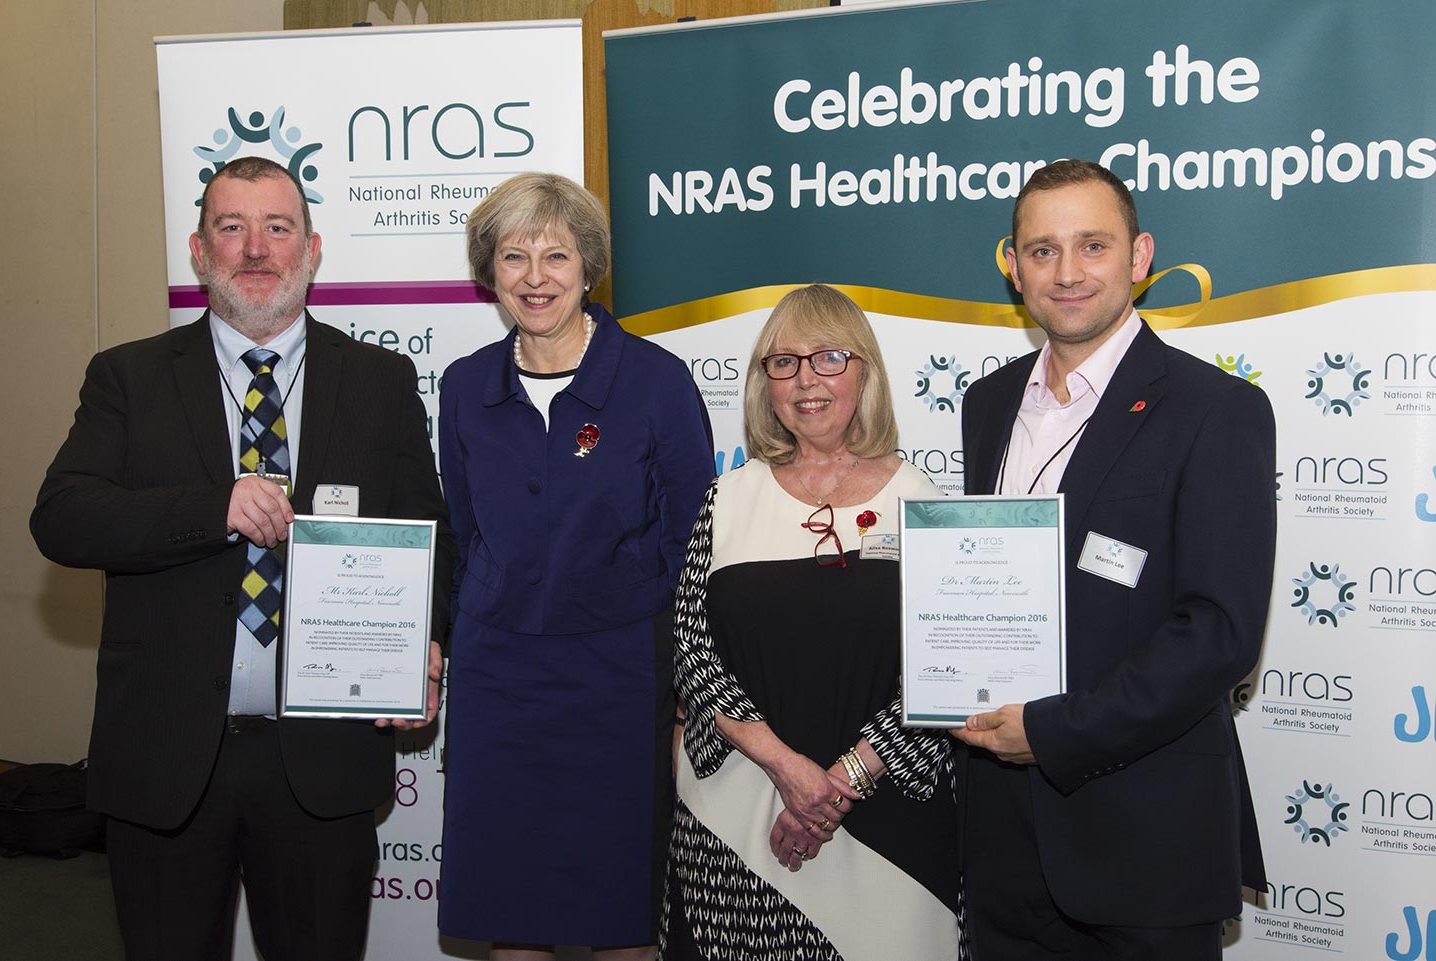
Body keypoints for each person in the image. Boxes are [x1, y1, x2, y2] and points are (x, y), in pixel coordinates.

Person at [29, 155, 455, 961]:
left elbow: (426, 534)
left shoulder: (380, 380)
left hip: (321, 764)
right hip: (166, 761)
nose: (256, 249)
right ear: (198, 251)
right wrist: (211, 508)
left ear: (313, 249)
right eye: (232, 228)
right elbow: (62, 518)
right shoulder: (128, 377)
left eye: (277, 227)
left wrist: (423, 644)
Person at [953, 159, 1273, 959]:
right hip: (1001, 846)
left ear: (1139, 258)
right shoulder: (987, 404)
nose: (1066, 272)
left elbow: (1218, 632)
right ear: (1012, 265)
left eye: (1092, 245)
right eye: (1041, 249)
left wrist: (1056, 731)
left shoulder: (1217, 410)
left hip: (1146, 846)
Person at [437, 172, 714, 961]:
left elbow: (695, 540)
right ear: (488, 271)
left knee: (618, 915)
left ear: (588, 266)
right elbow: (464, 528)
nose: (535, 278)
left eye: (555, 255)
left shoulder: (656, 381)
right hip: (498, 686)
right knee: (512, 913)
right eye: (514, 256)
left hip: (618, 684)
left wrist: (676, 675)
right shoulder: (462, 389)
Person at [662, 284, 963, 960]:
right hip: (736, 817)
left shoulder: (924, 503)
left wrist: (842, 780)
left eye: (829, 357)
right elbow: (690, 649)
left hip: (887, 823)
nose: (805, 380)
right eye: (783, 361)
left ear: (866, 372)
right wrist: (788, 768)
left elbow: (945, 662)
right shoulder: (726, 499)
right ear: (763, 381)